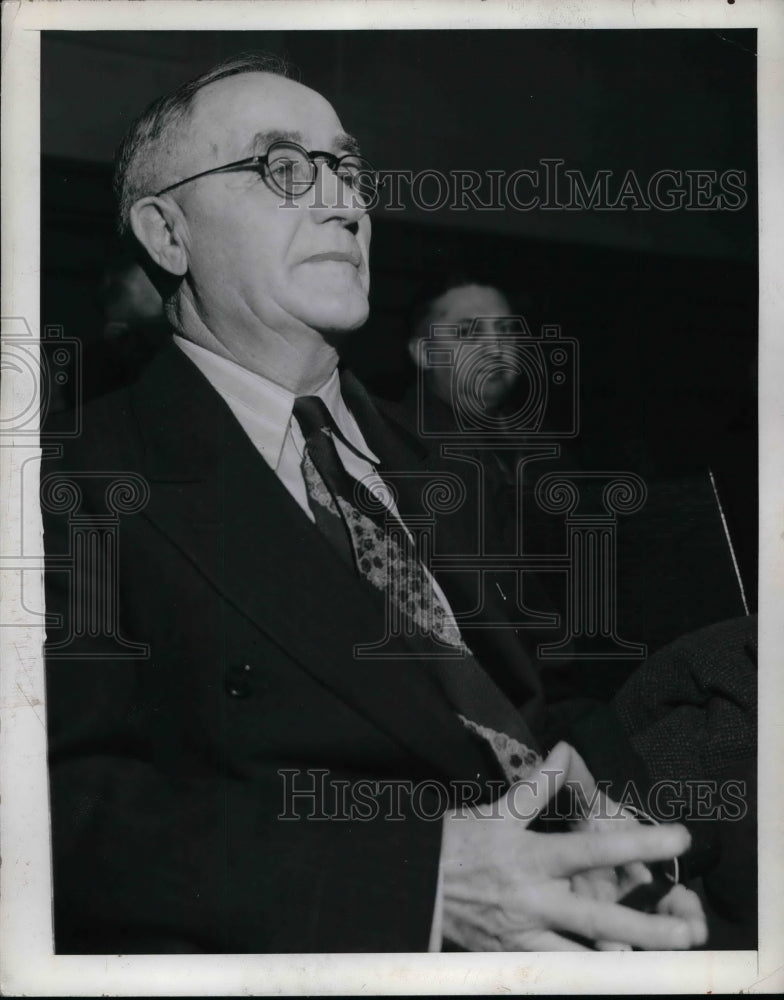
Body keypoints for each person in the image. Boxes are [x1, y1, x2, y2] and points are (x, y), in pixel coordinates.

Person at [43, 53, 739, 955]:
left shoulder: (446, 469)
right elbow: (57, 811)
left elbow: (535, 703)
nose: (343, 201)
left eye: (347, 165)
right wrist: (419, 885)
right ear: (167, 234)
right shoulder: (74, 484)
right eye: (281, 167)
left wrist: (620, 844)